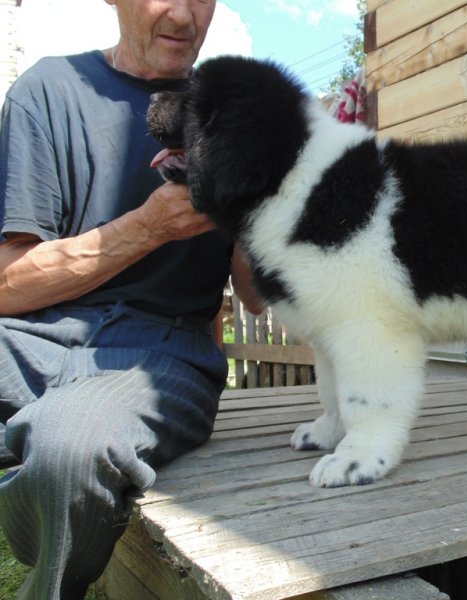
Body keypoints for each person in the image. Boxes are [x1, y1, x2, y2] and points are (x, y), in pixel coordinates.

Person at [0, 1, 260, 597]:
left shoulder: (235, 108)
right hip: (32, 340)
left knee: (70, 450)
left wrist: (260, 201)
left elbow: (256, 298)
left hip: (164, 352)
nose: (184, 13)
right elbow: (7, 285)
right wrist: (148, 227)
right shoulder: (47, 90)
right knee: (61, 444)